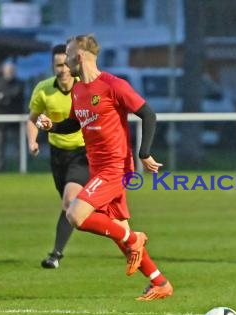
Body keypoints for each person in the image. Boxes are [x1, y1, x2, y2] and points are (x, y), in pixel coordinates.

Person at [36, 34, 173, 301]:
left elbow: (148, 114)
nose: (64, 59)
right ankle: (160, 282)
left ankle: (134, 237)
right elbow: (74, 124)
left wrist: (144, 152)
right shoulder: (77, 90)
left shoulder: (113, 85)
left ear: (80, 56)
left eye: (67, 53)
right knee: (119, 233)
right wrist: (52, 126)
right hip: (98, 169)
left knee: (75, 215)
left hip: (116, 168)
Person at [27, 44, 89, 269]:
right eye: (58, 65)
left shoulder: (84, 88)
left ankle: (55, 254)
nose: (62, 69)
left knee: (69, 201)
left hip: (82, 153)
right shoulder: (44, 89)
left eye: (65, 64)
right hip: (57, 155)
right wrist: (32, 141)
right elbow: (34, 118)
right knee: (69, 206)